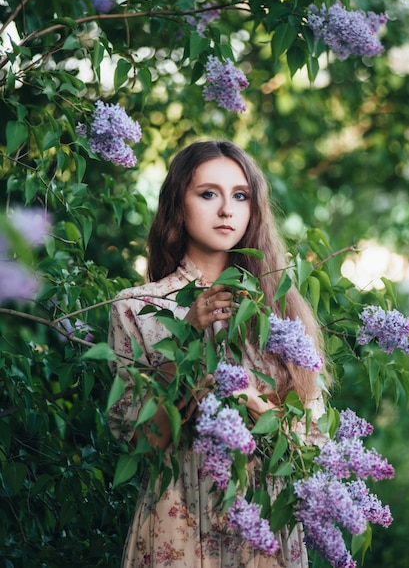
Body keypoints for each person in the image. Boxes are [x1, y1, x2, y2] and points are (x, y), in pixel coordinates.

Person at [108, 140, 328, 568]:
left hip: (263, 525)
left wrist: (250, 399)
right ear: (178, 203)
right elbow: (141, 446)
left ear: (253, 209)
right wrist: (187, 337)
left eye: (240, 196)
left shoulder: (279, 310)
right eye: (208, 193)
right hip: (177, 521)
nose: (226, 209)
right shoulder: (136, 307)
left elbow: (310, 449)